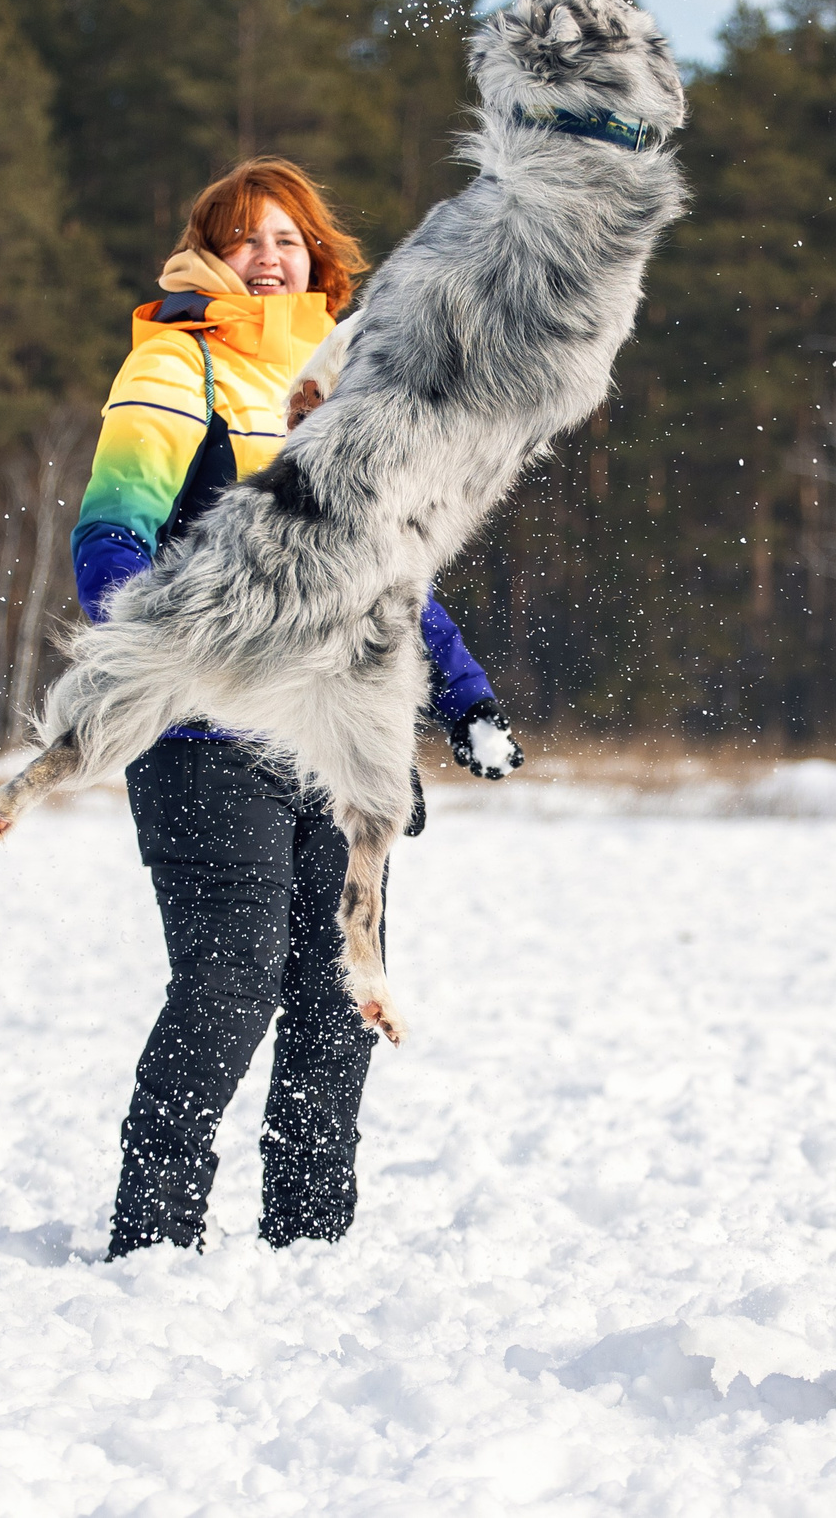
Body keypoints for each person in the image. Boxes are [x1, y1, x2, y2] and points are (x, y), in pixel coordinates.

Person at [68, 157, 523, 1254]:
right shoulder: (176, 370)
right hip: (204, 732)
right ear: (208, 256)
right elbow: (109, 535)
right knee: (232, 977)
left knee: (338, 990)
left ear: (318, 258)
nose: (268, 257)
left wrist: (463, 697)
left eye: (288, 239)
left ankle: (309, 1240)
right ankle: (154, 1234)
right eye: (246, 240)